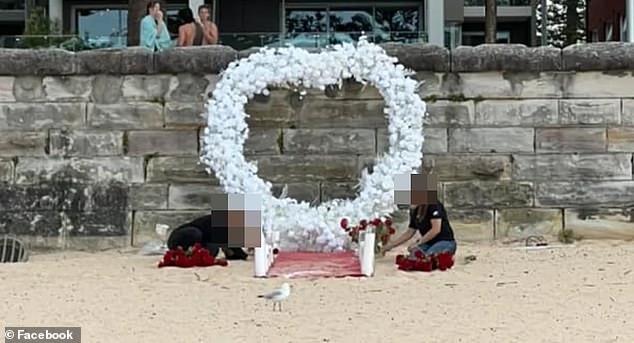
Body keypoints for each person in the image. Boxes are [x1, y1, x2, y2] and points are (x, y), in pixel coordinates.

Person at [380, 201, 457, 258]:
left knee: (427, 258)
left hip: (445, 241)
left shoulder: (434, 204)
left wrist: (418, 243)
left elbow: (436, 229)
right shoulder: (415, 210)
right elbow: (410, 232)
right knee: (413, 255)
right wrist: (390, 245)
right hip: (428, 243)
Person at [167, 214, 249, 260]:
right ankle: (185, 252)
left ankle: (190, 254)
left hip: (199, 240)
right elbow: (237, 250)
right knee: (195, 233)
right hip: (179, 238)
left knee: (212, 251)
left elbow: (234, 253)